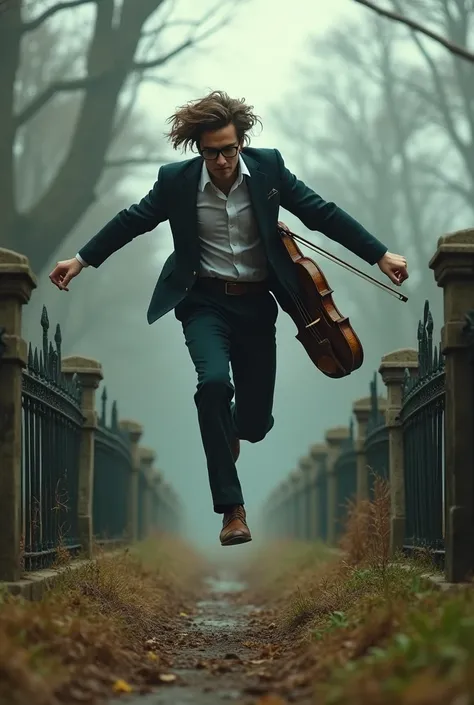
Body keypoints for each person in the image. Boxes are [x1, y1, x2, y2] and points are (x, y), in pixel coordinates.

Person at [49, 90, 408, 547]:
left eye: (229, 149)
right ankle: (231, 510)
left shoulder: (269, 170)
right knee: (213, 385)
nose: (221, 161)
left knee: (255, 423)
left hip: (258, 306)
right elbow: (131, 219)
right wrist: (80, 261)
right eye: (211, 152)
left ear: (242, 141)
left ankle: (228, 428)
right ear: (197, 149)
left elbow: (321, 214)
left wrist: (379, 254)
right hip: (203, 304)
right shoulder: (176, 182)